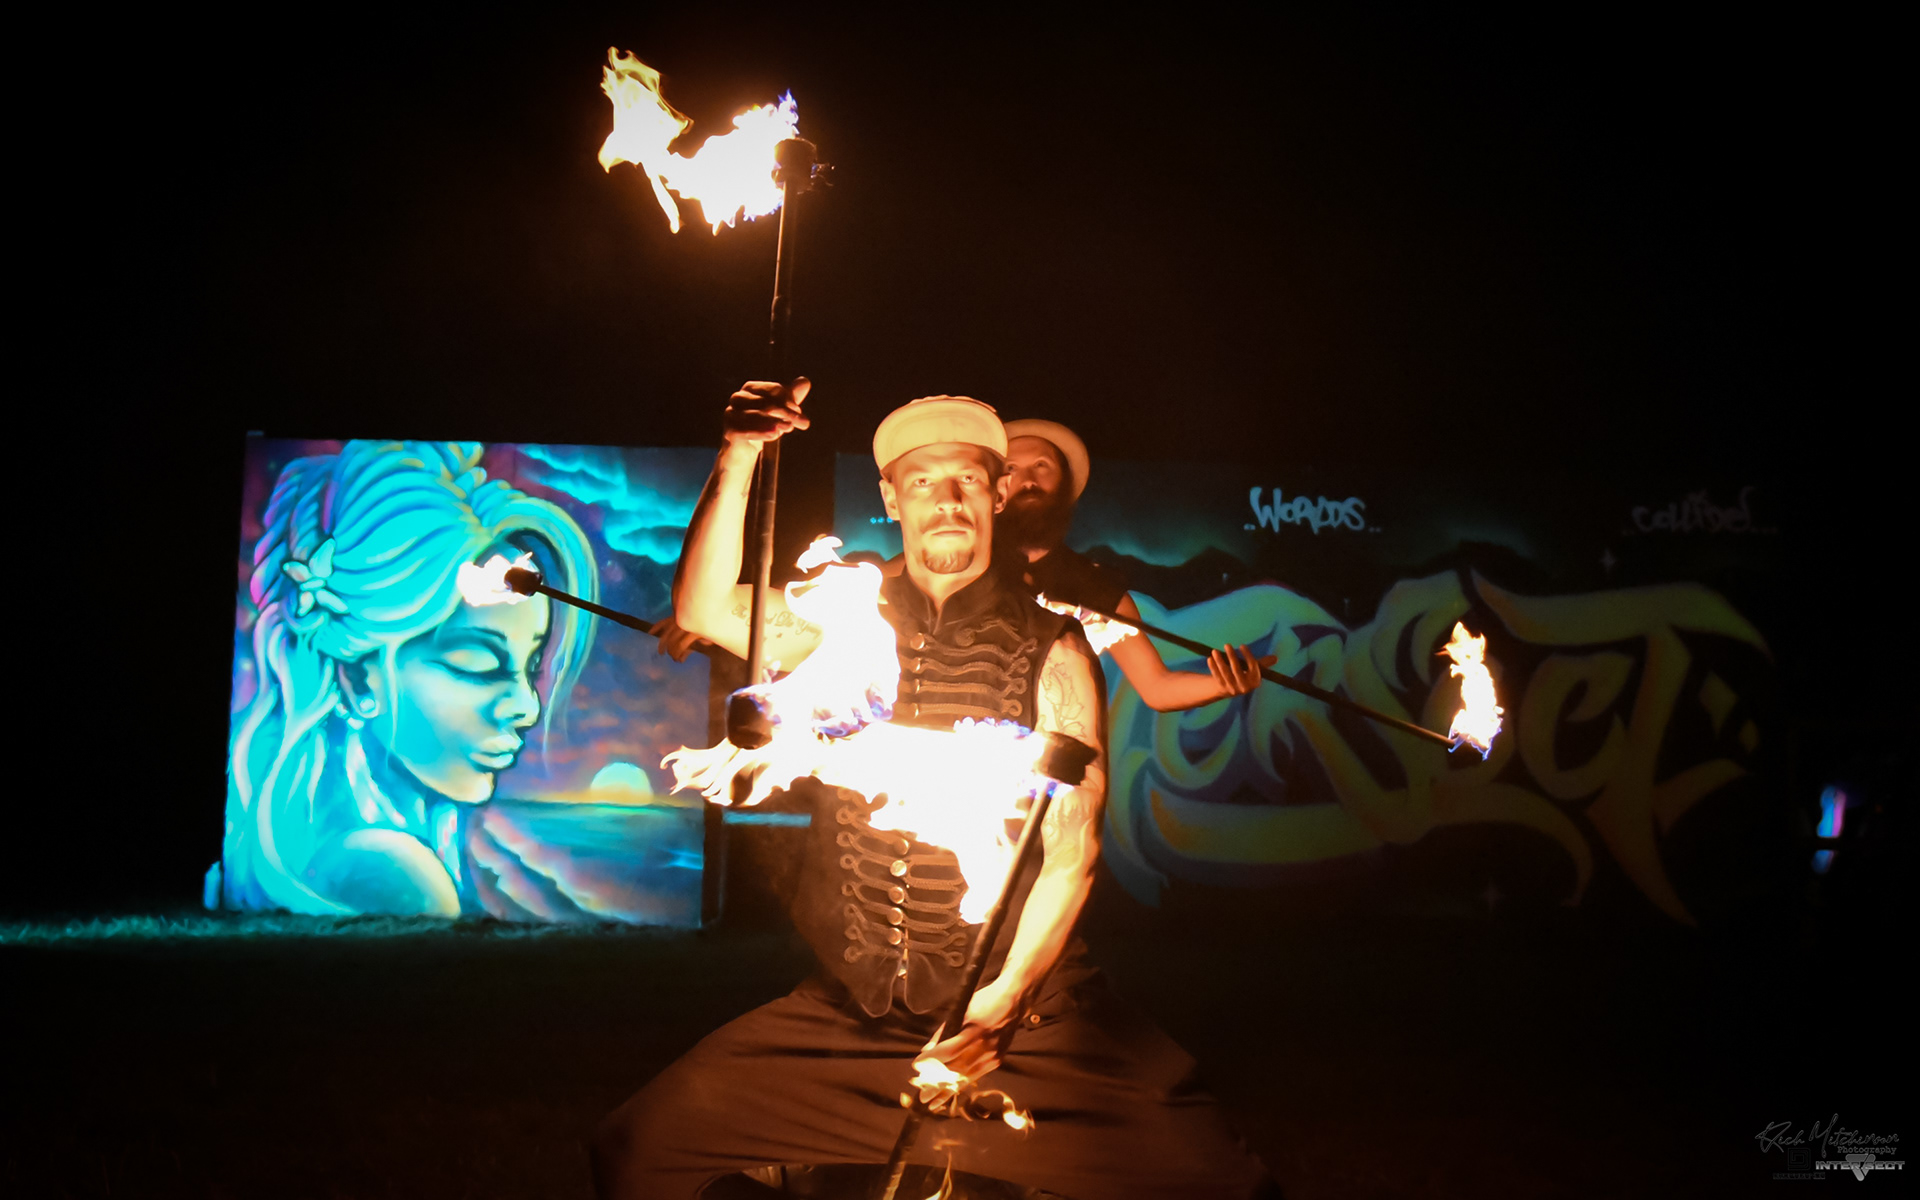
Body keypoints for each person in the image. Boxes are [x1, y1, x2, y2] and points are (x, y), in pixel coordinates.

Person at [590, 380, 1276, 1199]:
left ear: (995, 495)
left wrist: (1004, 1004)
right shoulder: (842, 624)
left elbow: (1073, 854)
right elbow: (703, 607)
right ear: (892, 500)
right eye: (921, 481)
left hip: (1020, 1023)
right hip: (850, 1021)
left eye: (966, 480)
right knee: (643, 1150)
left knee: (1219, 1183)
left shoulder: (1056, 650)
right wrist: (740, 453)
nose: (946, 499)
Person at [225, 440, 602, 919]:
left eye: (530, 668)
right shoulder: (394, 876)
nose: (527, 707)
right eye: (478, 664)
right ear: (359, 678)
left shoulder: (361, 849)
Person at [1000, 419, 1271, 711]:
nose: (1028, 480)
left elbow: (1157, 687)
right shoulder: (967, 570)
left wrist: (1222, 685)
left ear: (1065, 484)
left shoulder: (1095, 589)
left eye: (1041, 465)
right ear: (993, 488)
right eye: (1011, 468)